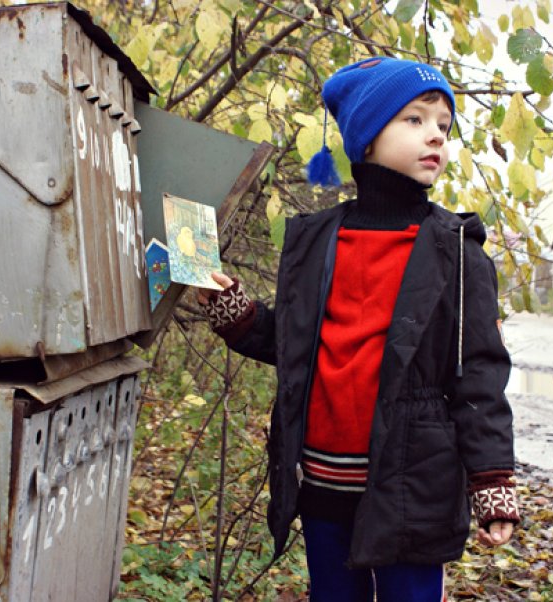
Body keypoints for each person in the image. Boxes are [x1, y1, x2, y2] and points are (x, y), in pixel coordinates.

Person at [197, 57, 519, 602]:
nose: (435, 135)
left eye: (443, 124)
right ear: (367, 136)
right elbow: (301, 345)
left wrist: (491, 479)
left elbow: (480, 375)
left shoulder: (456, 251)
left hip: (413, 486)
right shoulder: (317, 239)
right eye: (414, 120)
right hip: (321, 484)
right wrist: (240, 317)